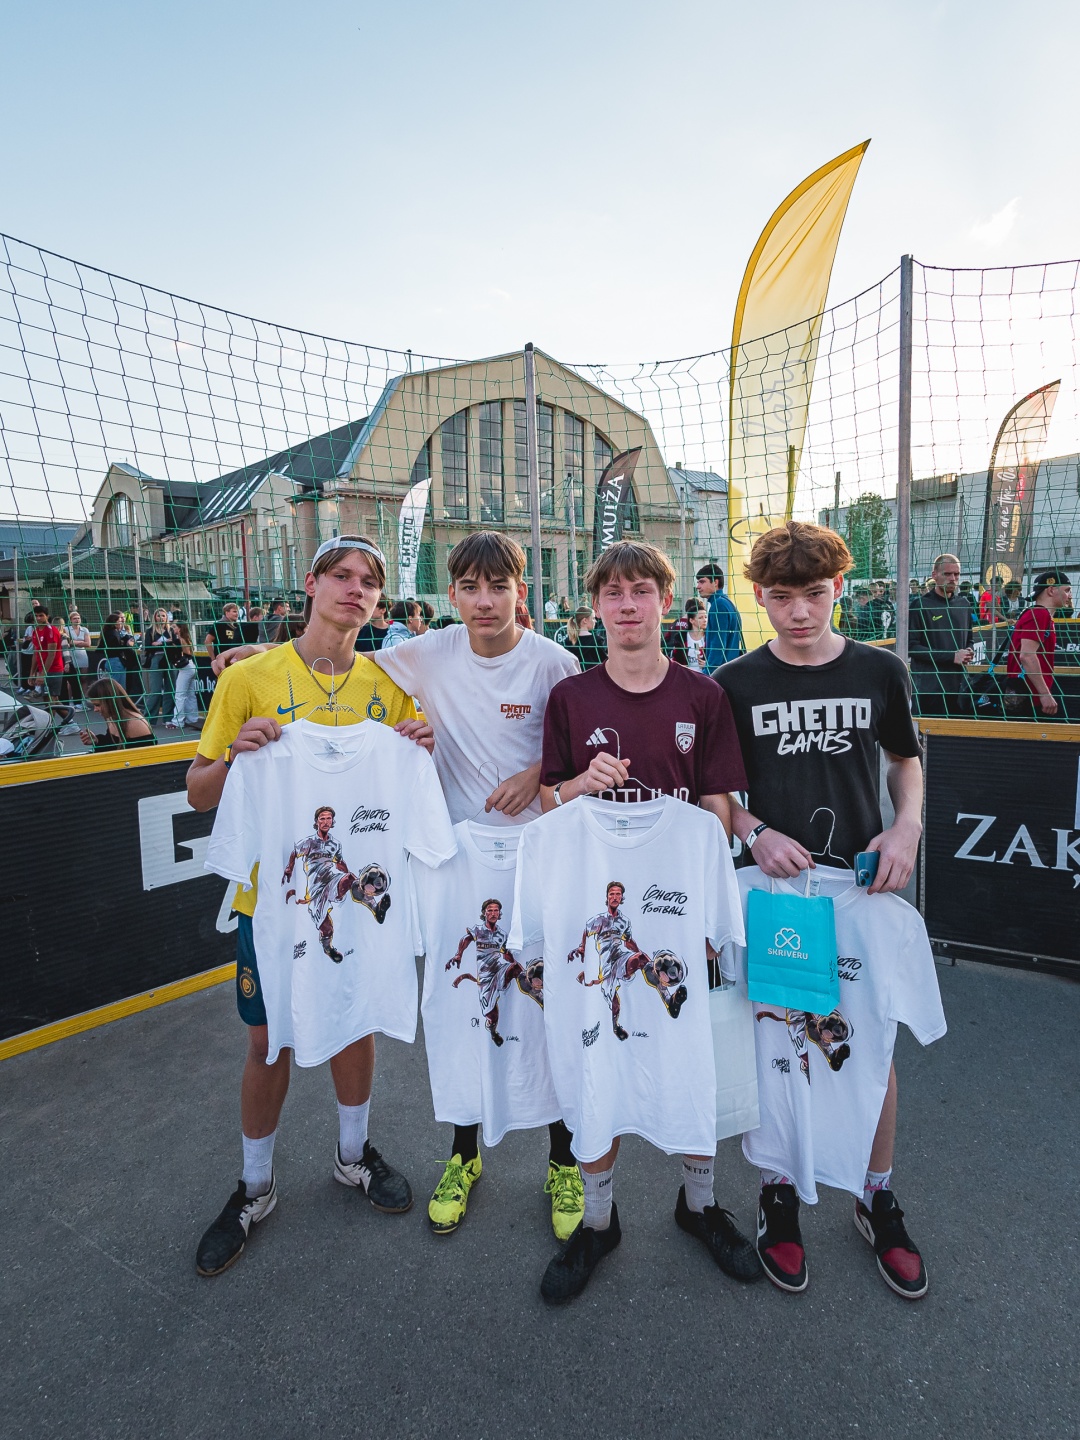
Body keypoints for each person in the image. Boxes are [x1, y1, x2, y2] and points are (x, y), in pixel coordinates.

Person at [186, 536, 433, 1278]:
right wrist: (234, 756)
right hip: (273, 902)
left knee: (356, 1018)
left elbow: (420, 758)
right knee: (269, 1040)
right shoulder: (250, 677)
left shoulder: (390, 683)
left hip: (354, 899)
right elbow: (198, 791)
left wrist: (421, 742)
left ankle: (353, 1155)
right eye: (342, 576)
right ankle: (254, 1187)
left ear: (379, 602)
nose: (356, 589)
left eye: (370, 582)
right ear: (312, 583)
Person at [536, 540, 759, 1303]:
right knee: (597, 1055)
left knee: (691, 1054)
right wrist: (580, 784)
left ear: (667, 602)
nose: (627, 605)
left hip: (675, 912)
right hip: (596, 913)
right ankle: (599, 1222)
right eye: (614, 592)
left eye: (641, 591)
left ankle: (699, 1205)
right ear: (596, 605)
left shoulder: (703, 696)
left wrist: (697, 879)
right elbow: (546, 804)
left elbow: (720, 807)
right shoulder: (572, 698)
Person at [716, 520, 928, 1300]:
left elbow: (905, 761)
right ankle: (778, 1191)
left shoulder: (881, 670)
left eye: (813, 594)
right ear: (759, 595)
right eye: (781, 597)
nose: (799, 612)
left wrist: (906, 827)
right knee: (778, 1039)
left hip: (858, 889)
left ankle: (876, 1196)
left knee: (870, 1046)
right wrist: (754, 830)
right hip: (775, 894)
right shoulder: (734, 682)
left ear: (838, 587)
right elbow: (718, 792)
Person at [369, 531, 584, 1241]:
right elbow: (338, 664)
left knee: (548, 1007)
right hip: (457, 862)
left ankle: (564, 1162)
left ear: (521, 590)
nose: (484, 601)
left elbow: (582, 755)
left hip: (540, 861)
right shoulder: (427, 653)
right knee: (468, 1006)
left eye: (499, 586)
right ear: (452, 594)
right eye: (469, 587)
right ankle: (464, 1155)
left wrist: (537, 774)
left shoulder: (553, 663)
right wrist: (255, 656)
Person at [908, 554, 974, 718]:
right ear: (934, 575)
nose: (953, 578)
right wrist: (952, 656)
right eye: (947, 574)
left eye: (956, 574)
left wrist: (969, 651)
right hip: (929, 688)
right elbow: (912, 647)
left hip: (959, 686)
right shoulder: (920, 605)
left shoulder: (964, 604)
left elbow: (969, 639)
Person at [1005, 567, 1072, 718]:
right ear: (1051, 590)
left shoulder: (1039, 614)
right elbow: (1027, 656)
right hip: (1030, 696)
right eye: (1067, 590)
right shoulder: (1039, 614)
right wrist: (1044, 694)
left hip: (1028, 694)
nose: (1070, 595)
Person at [79, 676, 155, 750]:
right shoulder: (113, 716)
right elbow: (113, 745)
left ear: (110, 701)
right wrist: (97, 740)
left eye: (98, 705)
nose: (95, 710)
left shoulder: (134, 722)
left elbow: (145, 754)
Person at [31, 611, 76, 730]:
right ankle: (69, 723)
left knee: (52, 698)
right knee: (49, 698)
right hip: (44, 669)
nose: (38, 618)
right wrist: (32, 672)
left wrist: (43, 674)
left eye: (41, 615)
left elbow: (53, 653)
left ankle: (51, 727)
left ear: (47, 616)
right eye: (36, 616)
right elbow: (36, 653)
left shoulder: (52, 631)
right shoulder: (36, 631)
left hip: (54, 669)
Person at [695, 562, 744, 671]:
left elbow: (718, 646)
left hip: (721, 674)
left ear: (715, 582)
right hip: (729, 670)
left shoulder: (718, 605)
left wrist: (708, 673)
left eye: (702, 582)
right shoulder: (727, 603)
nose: (698, 586)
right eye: (698, 582)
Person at [142, 608, 179, 721]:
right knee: (155, 691)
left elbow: (175, 644)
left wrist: (159, 643)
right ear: (155, 617)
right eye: (158, 616)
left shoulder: (171, 630)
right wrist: (165, 643)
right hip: (156, 660)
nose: (161, 618)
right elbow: (148, 647)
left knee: (171, 689)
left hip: (170, 659)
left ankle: (168, 718)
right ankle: (149, 718)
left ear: (166, 617)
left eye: (163, 616)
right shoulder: (150, 631)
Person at [165, 622, 199, 730]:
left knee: (180, 695)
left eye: (175, 627)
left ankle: (177, 721)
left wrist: (170, 642)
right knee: (190, 694)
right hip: (191, 666)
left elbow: (178, 652)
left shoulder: (180, 640)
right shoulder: (186, 638)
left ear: (179, 629)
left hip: (185, 668)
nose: (173, 628)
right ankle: (192, 719)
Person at [60, 610, 92, 701]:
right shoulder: (66, 629)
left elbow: (88, 644)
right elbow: (68, 643)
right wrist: (81, 642)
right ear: (70, 620)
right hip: (71, 655)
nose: (77, 620)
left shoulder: (84, 629)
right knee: (72, 679)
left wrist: (74, 642)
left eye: (78, 618)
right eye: (74, 618)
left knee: (84, 678)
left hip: (82, 655)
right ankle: (71, 698)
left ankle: (84, 697)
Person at [684, 600, 708, 671]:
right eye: (700, 618)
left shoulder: (710, 637)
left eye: (706, 617)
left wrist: (707, 665)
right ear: (691, 620)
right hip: (687, 676)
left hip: (704, 675)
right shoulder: (682, 637)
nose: (705, 620)